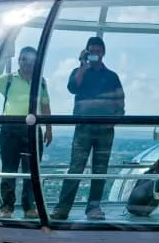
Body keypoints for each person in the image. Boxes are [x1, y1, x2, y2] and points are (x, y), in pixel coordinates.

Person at [52, 37, 124, 221]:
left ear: (103, 53)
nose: (96, 55)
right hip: (84, 128)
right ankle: (62, 208)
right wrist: (82, 66)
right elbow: (73, 88)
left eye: (98, 51)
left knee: (100, 170)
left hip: (105, 129)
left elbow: (120, 101)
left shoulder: (111, 76)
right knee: (76, 167)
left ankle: (93, 208)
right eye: (92, 51)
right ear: (86, 52)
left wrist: (113, 121)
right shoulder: (79, 72)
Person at [0, 46, 51, 217]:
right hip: (10, 129)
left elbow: (45, 105)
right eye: (25, 59)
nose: (28, 63)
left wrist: (49, 128)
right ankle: (7, 207)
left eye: (32, 60)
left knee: (31, 170)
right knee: (9, 169)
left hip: (32, 130)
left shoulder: (40, 81)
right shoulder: (9, 79)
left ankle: (29, 207)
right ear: (19, 60)